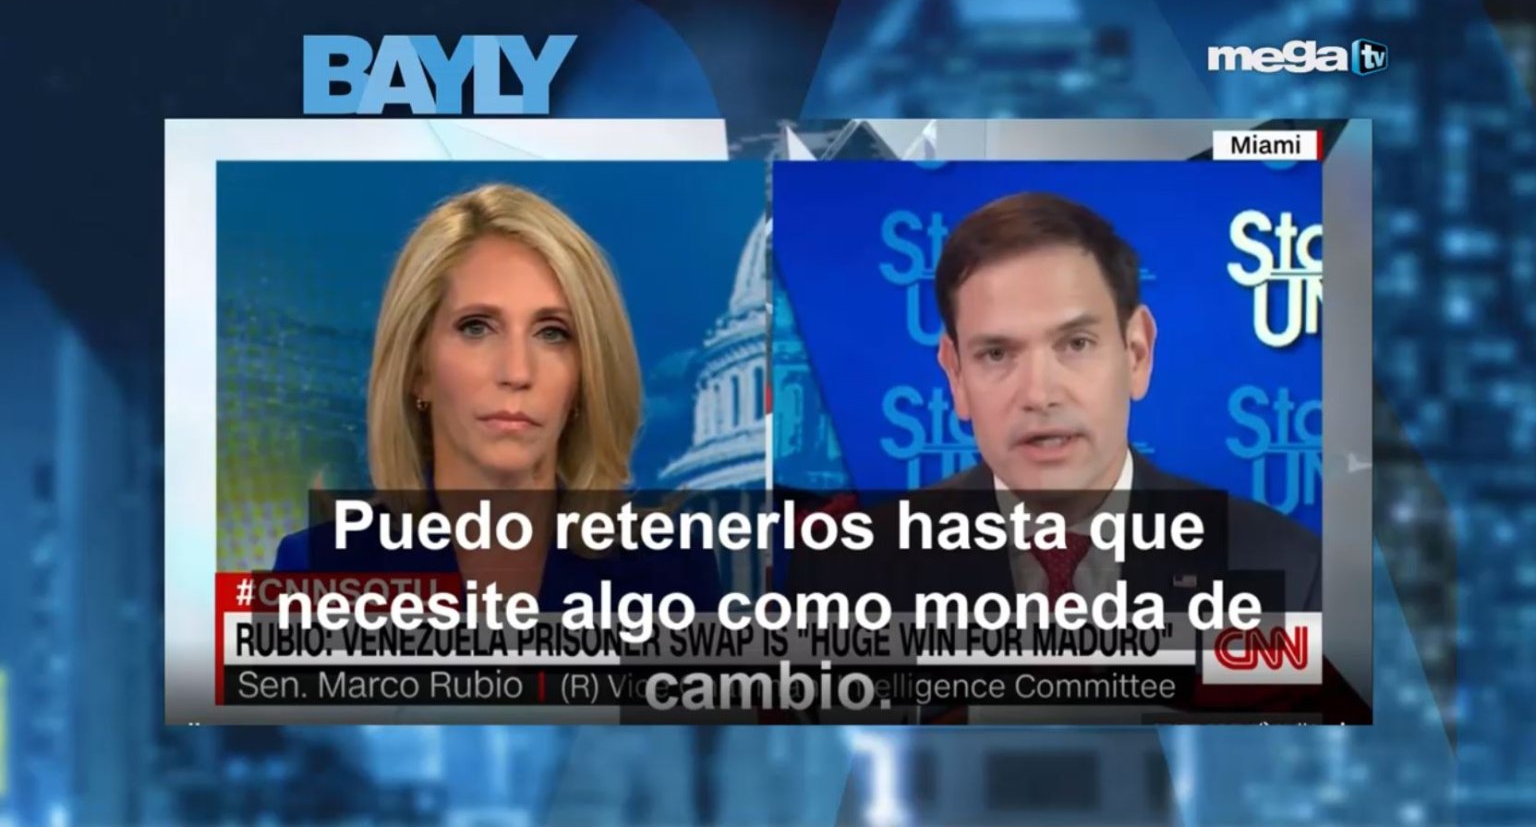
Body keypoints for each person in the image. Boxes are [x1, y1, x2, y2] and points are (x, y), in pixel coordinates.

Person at [789, 191, 1365, 721]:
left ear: (1136, 353)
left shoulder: (1288, 570)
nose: (1039, 394)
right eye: (996, 354)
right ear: (956, 375)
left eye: (1076, 344)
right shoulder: (849, 575)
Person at [272, 184, 721, 610]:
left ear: (585, 377)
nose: (517, 372)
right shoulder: (316, 572)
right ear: (417, 369)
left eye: (552, 333)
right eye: (476, 328)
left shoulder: (672, 572)